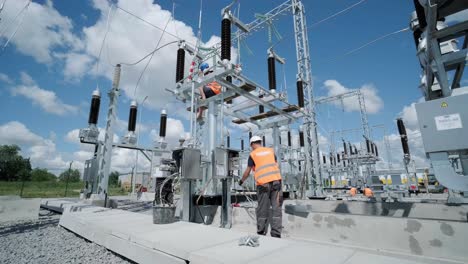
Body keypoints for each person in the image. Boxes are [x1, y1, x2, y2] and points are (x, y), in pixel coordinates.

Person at [238, 136, 283, 238]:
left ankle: (261, 231)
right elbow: (275, 165)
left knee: (262, 208)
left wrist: (241, 181)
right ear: (260, 142)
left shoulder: (253, 154)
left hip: (263, 184)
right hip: (276, 182)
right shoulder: (270, 151)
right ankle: (276, 233)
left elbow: (247, 172)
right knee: (276, 208)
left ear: (252, 144)